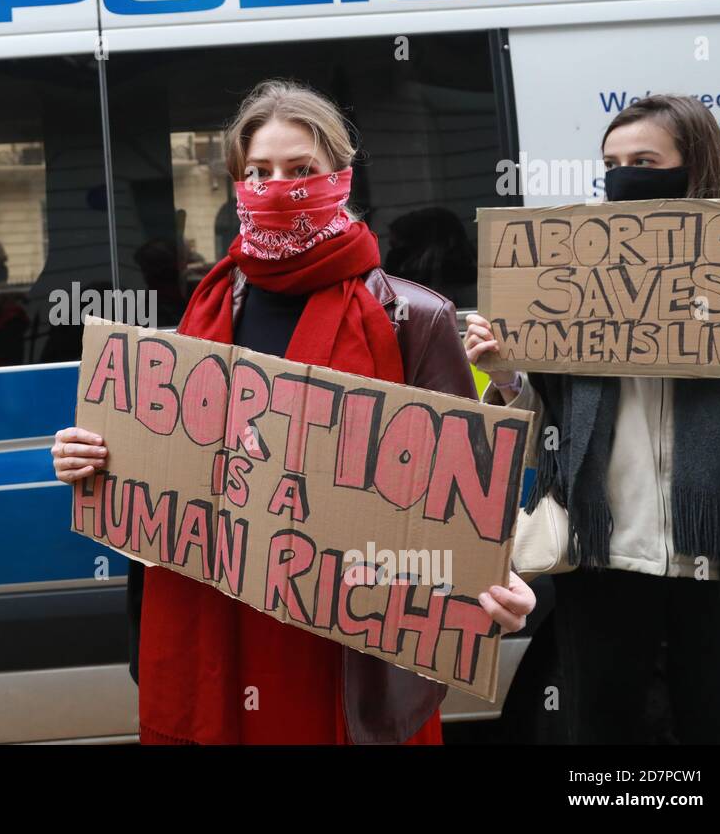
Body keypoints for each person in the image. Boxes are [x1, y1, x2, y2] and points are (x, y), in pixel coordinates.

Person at [52, 79, 536, 745]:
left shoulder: (414, 317)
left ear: (339, 175)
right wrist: (91, 458)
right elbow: (165, 458)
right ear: (236, 182)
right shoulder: (205, 307)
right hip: (217, 617)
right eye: (259, 172)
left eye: (301, 170)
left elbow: (458, 498)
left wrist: (494, 584)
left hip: (342, 640)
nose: (278, 186)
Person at [465, 94, 720, 744]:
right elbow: (543, 421)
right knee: (600, 733)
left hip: (717, 556)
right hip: (603, 554)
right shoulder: (573, 274)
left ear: (695, 166)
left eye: (645, 161)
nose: (625, 176)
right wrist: (507, 373)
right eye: (613, 164)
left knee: (718, 723)